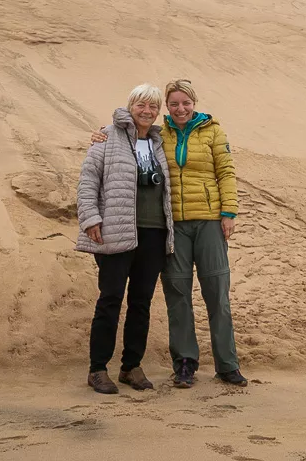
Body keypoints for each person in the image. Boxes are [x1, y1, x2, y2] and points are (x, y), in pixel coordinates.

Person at [92, 78, 247, 387]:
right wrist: (100, 136)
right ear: (167, 107)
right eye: (173, 104)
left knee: (216, 293)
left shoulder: (213, 132)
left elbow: (226, 172)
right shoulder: (159, 135)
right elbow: (124, 139)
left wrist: (228, 213)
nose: (180, 109)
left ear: (194, 103)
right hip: (173, 225)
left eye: (185, 103)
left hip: (209, 221)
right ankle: (185, 363)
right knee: (177, 295)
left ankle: (227, 364)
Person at [76, 83, 175, 394]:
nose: (147, 111)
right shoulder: (108, 136)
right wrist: (90, 218)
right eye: (141, 105)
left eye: (153, 106)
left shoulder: (159, 141)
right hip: (116, 230)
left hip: (153, 233)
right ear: (131, 106)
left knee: (141, 303)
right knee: (110, 299)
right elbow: (88, 179)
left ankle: (131, 366)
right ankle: (97, 369)